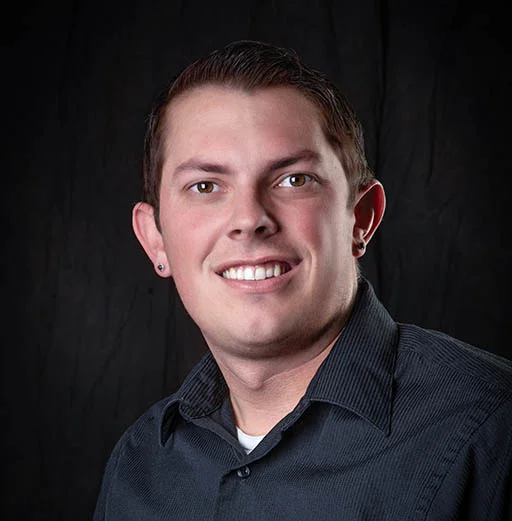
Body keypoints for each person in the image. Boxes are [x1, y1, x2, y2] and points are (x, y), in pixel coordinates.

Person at [94, 40, 512, 520]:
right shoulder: (140, 464)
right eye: (205, 186)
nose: (249, 219)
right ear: (156, 240)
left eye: (293, 179)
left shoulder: (492, 434)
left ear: (361, 218)